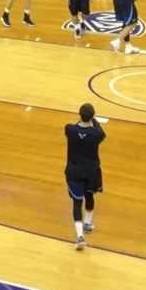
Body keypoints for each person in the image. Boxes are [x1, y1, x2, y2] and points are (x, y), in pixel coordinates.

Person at [65, 102, 105, 250]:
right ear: (93, 116)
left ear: (79, 115)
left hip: (74, 171)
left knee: (76, 202)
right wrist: (92, 119)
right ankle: (88, 223)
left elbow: (77, 127)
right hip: (91, 171)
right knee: (89, 196)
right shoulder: (97, 134)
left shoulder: (69, 129)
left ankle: (80, 236)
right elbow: (101, 131)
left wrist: (84, 118)